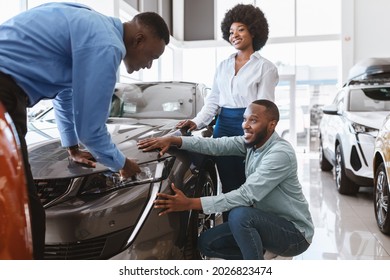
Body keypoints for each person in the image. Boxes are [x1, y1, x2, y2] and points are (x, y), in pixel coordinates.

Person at [0, 2, 170, 259]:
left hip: (9, 88)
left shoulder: (92, 24)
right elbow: (91, 130)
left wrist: (71, 148)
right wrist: (121, 163)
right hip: (5, 90)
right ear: (139, 39)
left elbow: (66, 95)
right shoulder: (107, 45)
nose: (148, 65)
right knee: (25, 209)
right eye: (152, 57)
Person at [138, 99, 314, 260]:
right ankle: (258, 252)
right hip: (266, 222)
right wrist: (174, 139)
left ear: (271, 125)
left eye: (253, 120)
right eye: (245, 119)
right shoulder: (252, 143)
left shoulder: (279, 154)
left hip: (294, 233)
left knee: (240, 214)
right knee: (207, 243)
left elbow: (246, 195)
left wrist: (189, 203)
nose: (245, 125)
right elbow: (216, 145)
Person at [176, 4, 279, 220]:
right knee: (228, 180)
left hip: (249, 127)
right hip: (223, 125)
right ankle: (232, 229)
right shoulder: (222, 66)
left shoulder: (265, 68)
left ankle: (251, 229)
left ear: (253, 30)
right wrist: (197, 122)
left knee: (249, 181)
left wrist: (256, 134)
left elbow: (264, 106)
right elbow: (213, 100)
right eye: (231, 32)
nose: (235, 35)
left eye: (240, 29)